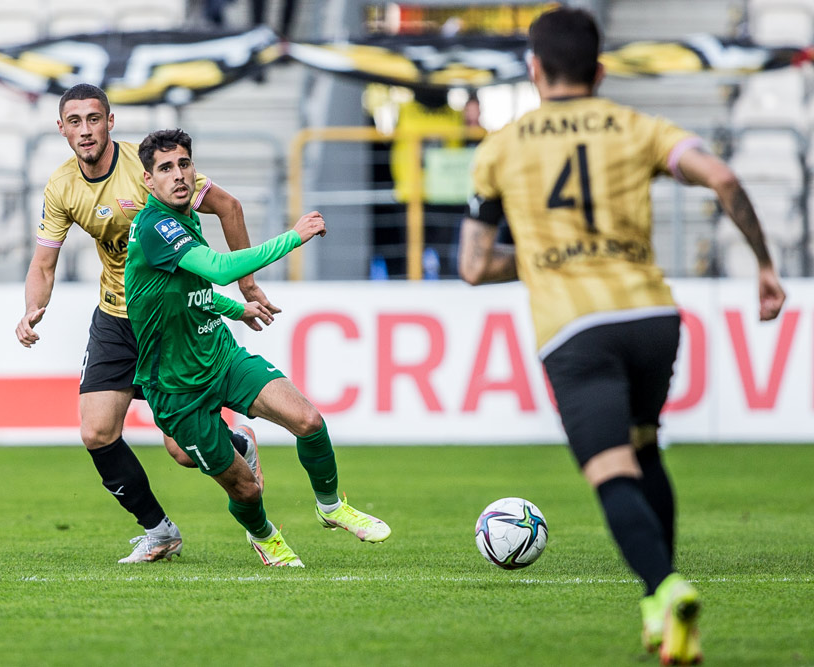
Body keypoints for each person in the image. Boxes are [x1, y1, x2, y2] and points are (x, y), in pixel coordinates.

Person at [457, 7, 785, 665]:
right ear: (601, 69)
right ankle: (656, 614)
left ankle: (666, 586)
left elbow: (472, 266)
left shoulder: (501, 147)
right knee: (644, 445)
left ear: (534, 69)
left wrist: (553, 253)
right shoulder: (638, 126)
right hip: (653, 319)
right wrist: (766, 267)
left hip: (576, 328)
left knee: (611, 470)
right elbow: (722, 177)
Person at [15, 84, 277, 564]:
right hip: (115, 317)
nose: (85, 130)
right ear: (61, 129)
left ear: (110, 122)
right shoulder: (61, 186)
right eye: (74, 121)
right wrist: (34, 308)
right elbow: (43, 263)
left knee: (180, 451)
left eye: (94, 119)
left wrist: (248, 286)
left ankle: (237, 443)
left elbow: (229, 207)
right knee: (96, 432)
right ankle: (159, 531)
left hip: (168, 321)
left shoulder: (149, 168)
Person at [125, 128, 391, 567]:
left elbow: (188, 293)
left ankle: (331, 507)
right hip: (177, 389)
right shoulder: (155, 227)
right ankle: (264, 535)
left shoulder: (187, 215)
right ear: (148, 182)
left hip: (220, 355)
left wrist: (236, 310)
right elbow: (218, 267)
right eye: (165, 168)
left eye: (184, 164)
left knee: (308, 419)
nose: (178, 175)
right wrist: (292, 237)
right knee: (245, 487)